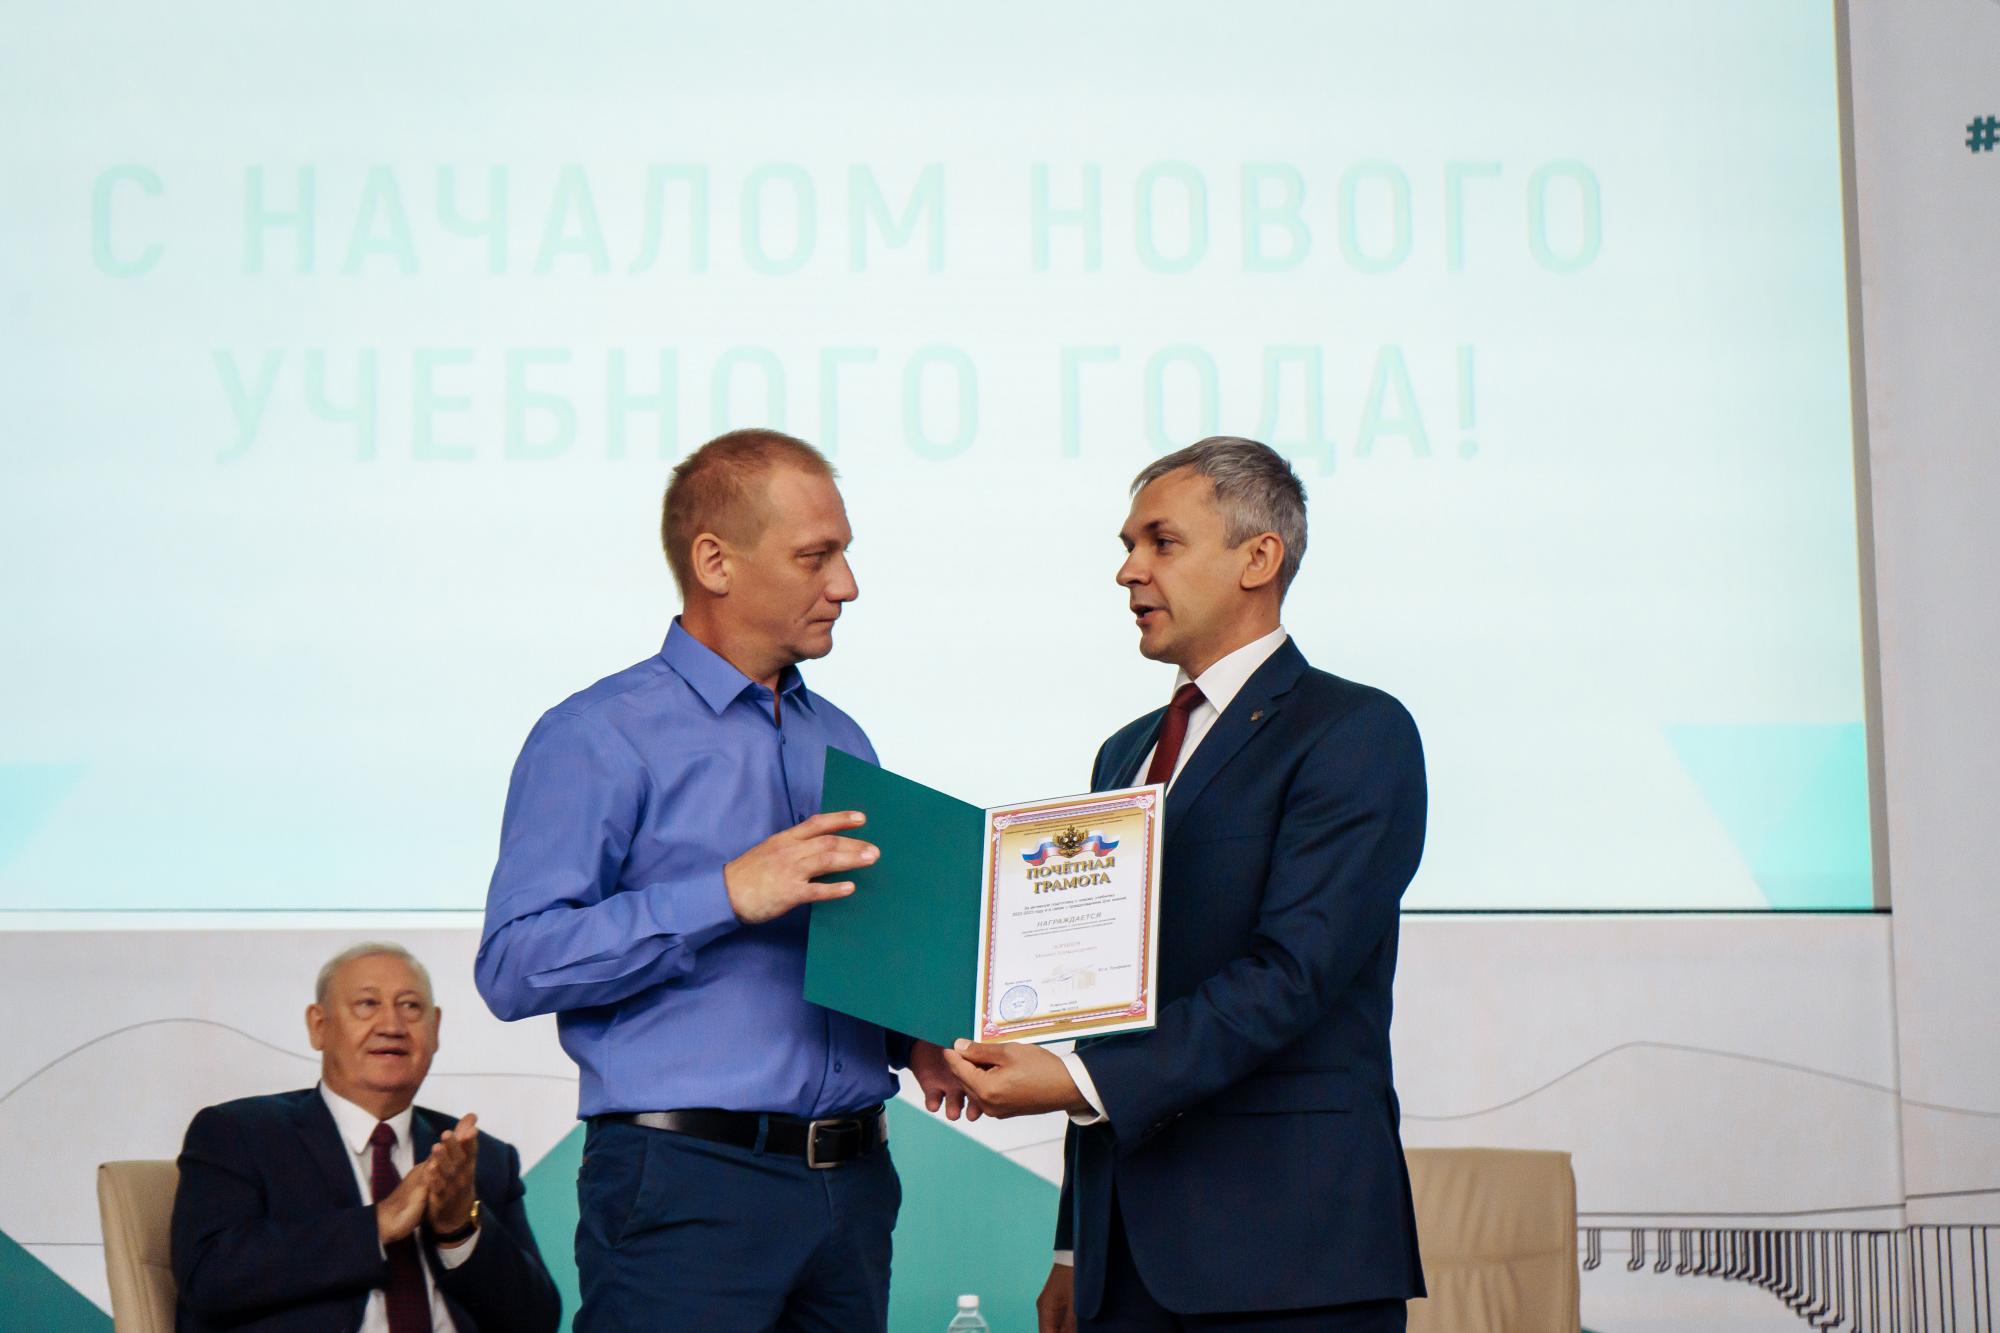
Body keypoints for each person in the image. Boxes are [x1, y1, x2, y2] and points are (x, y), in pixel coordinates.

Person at [475, 428, 973, 1333]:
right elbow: (514, 965)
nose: (847, 585)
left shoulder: (844, 738)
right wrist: (726, 894)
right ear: (715, 562)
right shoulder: (596, 734)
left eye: (846, 553)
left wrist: (912, 1038)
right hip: (687, 1190)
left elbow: (853, 942)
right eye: (816, 556)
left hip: (856, 1188)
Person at [945, 437, 1429, 1332]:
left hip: (1288, 1256)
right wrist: (1072, 1244)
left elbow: (1292, 973)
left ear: (1259, 557)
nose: (1129, 570)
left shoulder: (1355, 732)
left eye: (1161, 542)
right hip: (1122, 1258)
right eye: (1128, 545)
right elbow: (1098, 1002)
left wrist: (1074, 1079)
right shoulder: (1124, 752)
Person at [170, 942, 561, 1333]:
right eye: (367, 1004)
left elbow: (536, 1323)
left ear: (436, 1028)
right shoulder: (241, 1133)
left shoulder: (476, 1158)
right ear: (319, 1026)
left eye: (410, 1006)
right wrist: (379, 1222)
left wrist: (458, 1229)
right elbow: (208, 1279)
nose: (392, 1025)